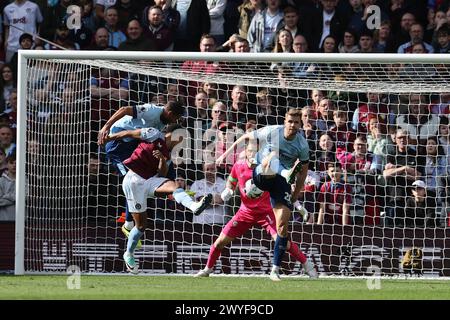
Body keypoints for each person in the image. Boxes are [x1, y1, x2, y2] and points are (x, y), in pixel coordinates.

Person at [195, 141, 317, 278]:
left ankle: (308, 265)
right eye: (251, 150)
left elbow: (283, 192)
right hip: (245, 212)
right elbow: (231, 180)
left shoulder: (267, 169)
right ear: (246, 152)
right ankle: (207, 269)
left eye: (256, 151)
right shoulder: (238, 166)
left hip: (266, 212)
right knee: (220, 242)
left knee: (283, 241)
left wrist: (298, 206)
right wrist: (229, 189)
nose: (253, 154)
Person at [217, 108, 310, 281]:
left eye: (296, 122)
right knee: (272, 157)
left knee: (282, 226)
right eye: (290, 121)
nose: (292, 125)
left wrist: (295, 196)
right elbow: (245, 137)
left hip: (279, 183)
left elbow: (303, 174)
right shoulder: (272, 131)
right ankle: (265, 182)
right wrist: (225, 154)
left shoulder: (302, 145)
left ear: (300, 124)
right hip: (261, 171)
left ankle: (275, 270)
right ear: (285, 121)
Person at [105, 126, 213, 274]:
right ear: (170, 134)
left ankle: (194, 206)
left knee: (174, 186)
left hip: (150, 181)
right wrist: (110, 137)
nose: (180, 142)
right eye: (180, 138)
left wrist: (162, 160)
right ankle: (128, 253)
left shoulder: (167, 155)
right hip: (134, 181)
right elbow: (129, 133)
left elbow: (161, 174)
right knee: (141, 226)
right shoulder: (153, 134)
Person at [97, 100, 185, 239]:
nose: (175, 120)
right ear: (170, 113)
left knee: (160, 159)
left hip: (131, 143)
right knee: (132, 180)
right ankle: (128, 224)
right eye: (175, 118)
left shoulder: (163, 123)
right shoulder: (152, 111)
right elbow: (125, 109)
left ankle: (173, 188)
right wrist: (106, 127)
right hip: (117, 144)